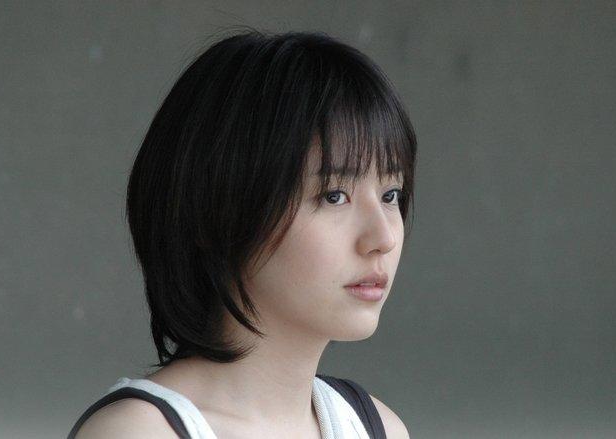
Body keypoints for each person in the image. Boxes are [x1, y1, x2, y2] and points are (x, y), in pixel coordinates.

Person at [69, 26, 417, 438]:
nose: (383, 238)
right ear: (219, 209)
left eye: (391, 195)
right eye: (334, 196)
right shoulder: (139, 432)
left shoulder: (377, 428)